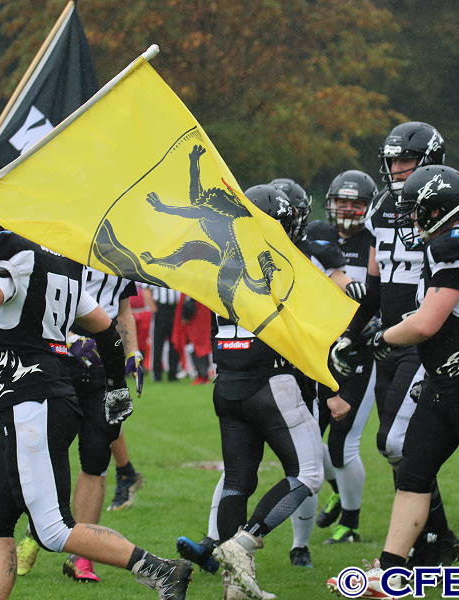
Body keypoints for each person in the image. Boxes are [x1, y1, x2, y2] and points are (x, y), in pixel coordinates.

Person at [0, 207, 191, 600]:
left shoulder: (6, 247)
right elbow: (106, 330)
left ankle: (161, 571)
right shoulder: (59, 259)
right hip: (44, 399)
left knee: (53, 529)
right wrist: (114, 385)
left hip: (31, 400)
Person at [336, 165, 459, 599]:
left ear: (437, 210)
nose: (410, 219)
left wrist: (379, 336)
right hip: (444, 381)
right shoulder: (445, 244)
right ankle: (390, 575)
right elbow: (429, 319)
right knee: (413, 474)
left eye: (417, 210)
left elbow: (426, 323)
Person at [202, 184, 324, 600]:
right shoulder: (288, 260)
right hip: (272, 384)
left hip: (228, 383)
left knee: (237, 481)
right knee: (307, 474)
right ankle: (245, 540)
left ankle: (233, 586)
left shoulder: (221, 259)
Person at [362, 121, 459, 565]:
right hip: (389, 336)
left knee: (395, 441)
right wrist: (354, 331)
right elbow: (374, 279)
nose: (398, 168)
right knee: (398, 446)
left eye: (407, 160)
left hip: (426, 339)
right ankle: (434, 537)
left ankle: (436, 538)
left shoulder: (452, 205)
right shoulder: (381, 207)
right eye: (394, 160)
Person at [15, 265, 145, 583]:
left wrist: (134, 351)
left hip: (105, 366)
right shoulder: (67, 249)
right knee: (52, 451)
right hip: (61, 361)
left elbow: (124, 312)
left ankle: (81, 557)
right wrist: (71, 337)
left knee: (96, 456)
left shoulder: (123, 257)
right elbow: (43, 305)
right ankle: (39, 529)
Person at [314, 170, 378, 546]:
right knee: (307, 437)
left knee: (342, 443)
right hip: (318, 350)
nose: (348, 209)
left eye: (356, 203)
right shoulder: (317, 237)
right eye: (343, 201)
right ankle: (339, 488)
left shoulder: (376, 242)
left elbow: (384, 293)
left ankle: (350, 523)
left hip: (357, 352)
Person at [146, 284, 181, 381]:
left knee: (174, 342)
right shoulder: (157, 272)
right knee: (158, 343)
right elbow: (147, 290)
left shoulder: (178, 274)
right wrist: (153, 308)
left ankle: (173, 374)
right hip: (160, 309)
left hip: (175, 310)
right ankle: (157, 374)